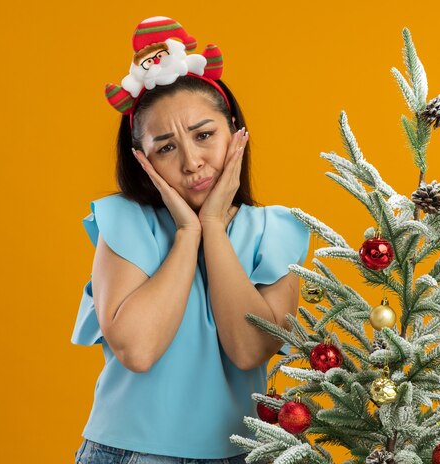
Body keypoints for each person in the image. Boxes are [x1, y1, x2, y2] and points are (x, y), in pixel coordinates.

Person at [71, 16, 310, 464]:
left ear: (235, 132)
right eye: (166, 147)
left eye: (204, 135)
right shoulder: (124, 221)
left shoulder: (275, 230)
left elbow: (249, 349)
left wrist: (214, 227)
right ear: (143, 161)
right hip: (127, 452)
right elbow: (138, 351)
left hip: (242, 453)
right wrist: (187, 234)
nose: (192, 161)